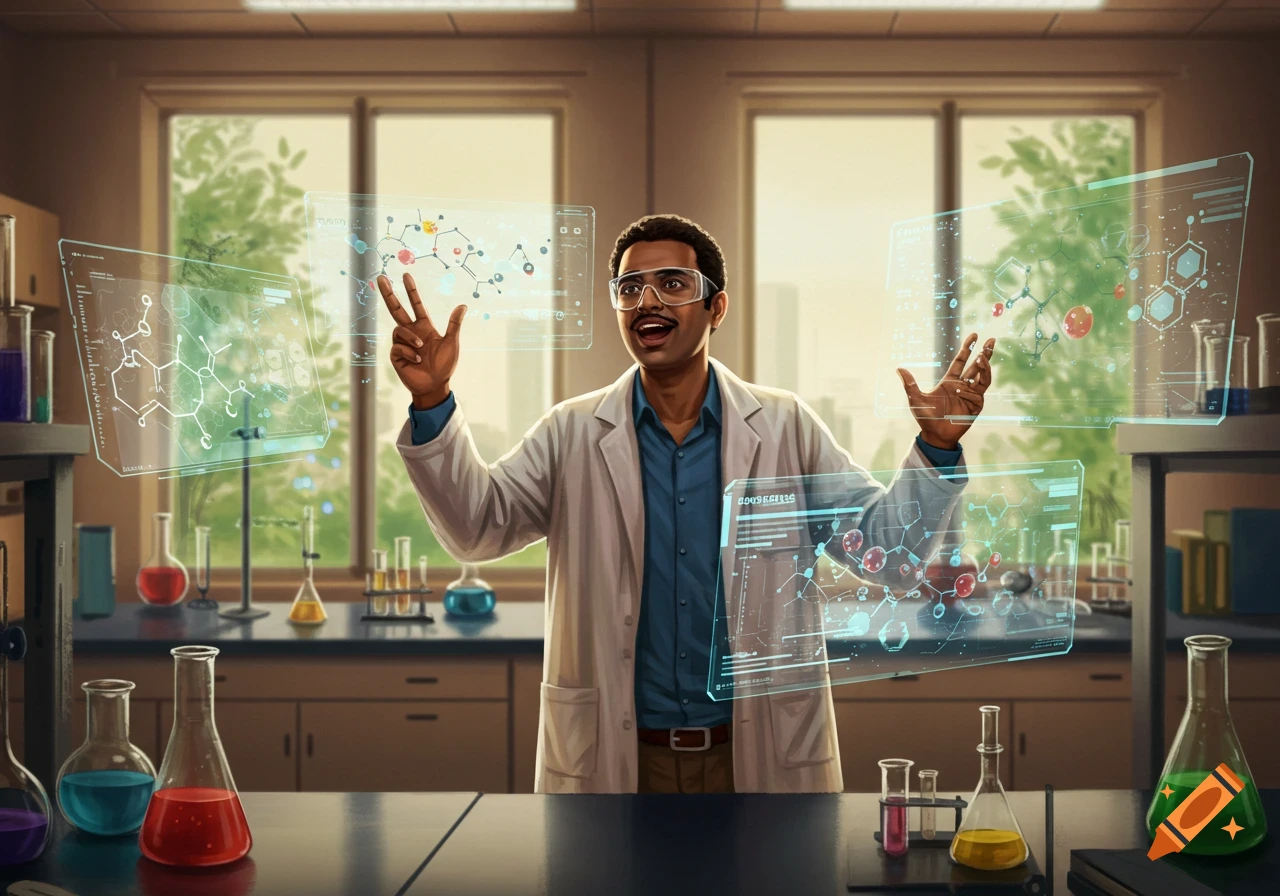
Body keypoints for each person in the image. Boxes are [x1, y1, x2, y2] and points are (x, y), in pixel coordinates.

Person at [379, 214, 996, 794]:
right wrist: (433, 401)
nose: (647, 301)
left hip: (757, 753)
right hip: (617, 759)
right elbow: (476, 530)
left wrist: (936, 446)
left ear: (715, 306)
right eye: (630, 288)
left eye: (672, 284)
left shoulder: (784, 427)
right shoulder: (571, 433)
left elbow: (884, 554)